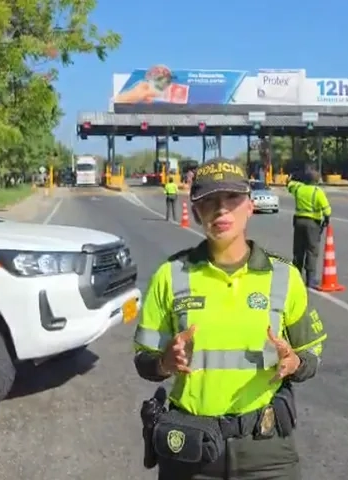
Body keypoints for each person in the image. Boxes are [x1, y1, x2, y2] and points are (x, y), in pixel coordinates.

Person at [134, 160, 328, 480]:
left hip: (267, 452)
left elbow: (312, 354)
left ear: (250, 207)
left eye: (232, 199)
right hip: (191, 448)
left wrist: (295, 363)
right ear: (196, 211)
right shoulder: (170, 276)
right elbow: (143, 360)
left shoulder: (284, 277)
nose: (221, 210)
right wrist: (165, 363)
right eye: (209, 201)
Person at [286, 169, 332, 288]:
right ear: (316, 181)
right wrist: (326, 219)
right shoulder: (318, 192)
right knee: (311, 251)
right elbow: (327, 210)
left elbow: (289, 185)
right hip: (313, 223)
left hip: (298, 221)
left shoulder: (298, 189)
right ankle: (310, 279)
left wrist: (291, 178)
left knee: (298, 250)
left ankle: (296, 277)